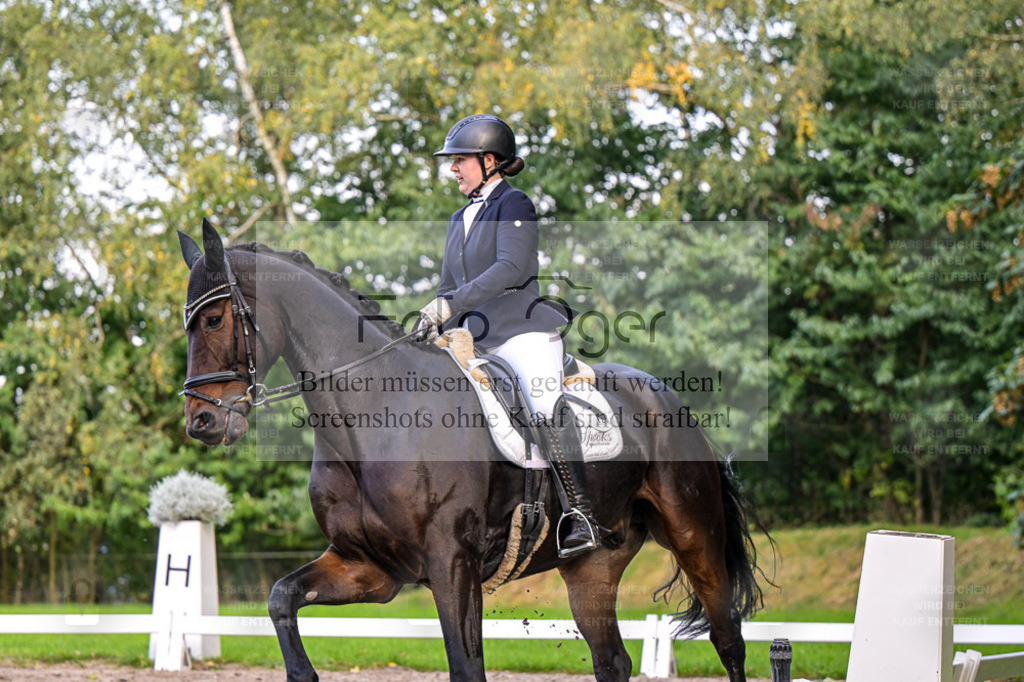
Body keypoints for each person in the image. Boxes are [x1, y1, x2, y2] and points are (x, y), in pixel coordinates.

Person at [418, 113, 600, 558]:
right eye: (452, 161)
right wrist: (433, 318)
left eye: (460, 160)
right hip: (472, 337)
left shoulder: (514, 205)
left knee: (541, 399)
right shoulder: (458, 218)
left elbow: (511, 269)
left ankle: (580, 514)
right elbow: (448, 286)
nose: (453, 169)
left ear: (490, 160)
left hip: (521, 331)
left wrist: (452, 302)